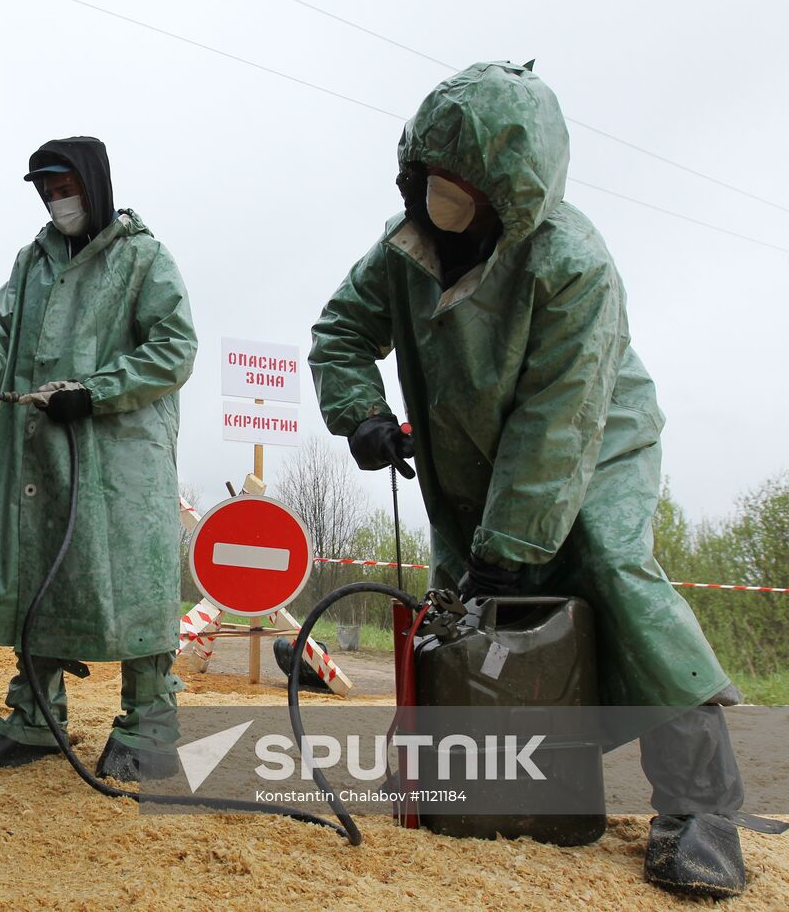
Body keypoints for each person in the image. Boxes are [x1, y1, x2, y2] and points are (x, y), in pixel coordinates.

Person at [309, 62, 749, 898]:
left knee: (616, 576)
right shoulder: (405, 249)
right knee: (461, 608)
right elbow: (339, 331)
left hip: (595, 434)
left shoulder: (572, 263)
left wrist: (509, 548)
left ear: (510, 192)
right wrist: (361, 412)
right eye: (428, 185)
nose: (439, 207)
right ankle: (471, 777)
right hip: (470, 449)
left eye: (459, 192)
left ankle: (700, 811)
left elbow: (558, 419)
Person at [0, 136, 197, 783]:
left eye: (64, 187)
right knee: (38, 569)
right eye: (45, 190)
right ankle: (36, 717)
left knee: (136, 573)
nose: (55, 201)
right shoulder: (33, 262)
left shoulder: (143, 258)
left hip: (123, 452)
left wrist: (93, 391)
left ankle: (149, 723)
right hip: (41, 445)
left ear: (93, 184)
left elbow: (174, 346)